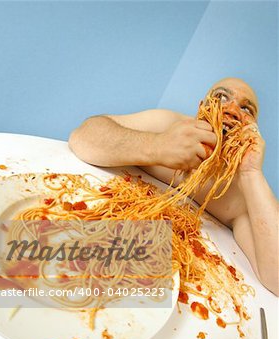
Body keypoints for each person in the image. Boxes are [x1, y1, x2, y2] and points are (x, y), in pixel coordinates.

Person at [68, 78, 279, 296]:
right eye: (221, 97)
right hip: (91, 228)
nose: (233, 110)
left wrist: (252, 172)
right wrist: (157, 145)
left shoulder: (237, 189)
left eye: (246, 109)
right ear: (201, 107)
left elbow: (276, 279)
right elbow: (81, 137)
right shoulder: (166, 125)